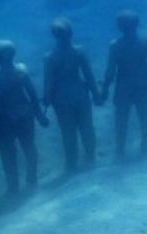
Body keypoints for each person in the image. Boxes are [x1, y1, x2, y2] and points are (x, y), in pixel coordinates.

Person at [98, 11, 147, 160]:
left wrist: (104, 91)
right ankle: (145, 148)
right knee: (144, 117)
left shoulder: (115, 45)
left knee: (121, 119)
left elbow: (110, 72)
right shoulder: (146, 43)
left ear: (120, 27)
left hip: (124, 86)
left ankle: (120, 150)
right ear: (136, 25)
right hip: (143, 83)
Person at [0, 39, 49, 195]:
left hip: (6, 120)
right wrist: (40, 115)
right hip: (25, 114)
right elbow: (32, 95)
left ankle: (13, 186)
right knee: (29, 147)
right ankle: (32, 179)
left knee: (8, 154)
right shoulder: (22, 70)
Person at [43, 18, 100, 174]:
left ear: (54, 36)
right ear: (71, 33)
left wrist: (46, 101)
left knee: (67, 131)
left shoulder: (50, 57)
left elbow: (49, 82)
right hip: (80, 93)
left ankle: (71, 163)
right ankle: (90, 157)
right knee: (87, 127)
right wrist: (96, 94)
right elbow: (88, 75)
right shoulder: (79, 51)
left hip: (61, 98)